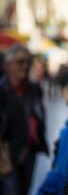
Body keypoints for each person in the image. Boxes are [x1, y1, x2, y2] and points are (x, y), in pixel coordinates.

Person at [0, 44, 48, 195]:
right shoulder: (1, 90)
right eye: (20, 62)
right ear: (8, 65)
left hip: (29, 150)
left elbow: (38, 115)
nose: (26, 66)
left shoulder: (34, 88)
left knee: (26, 189)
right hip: (7, 153)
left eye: (29, 61)